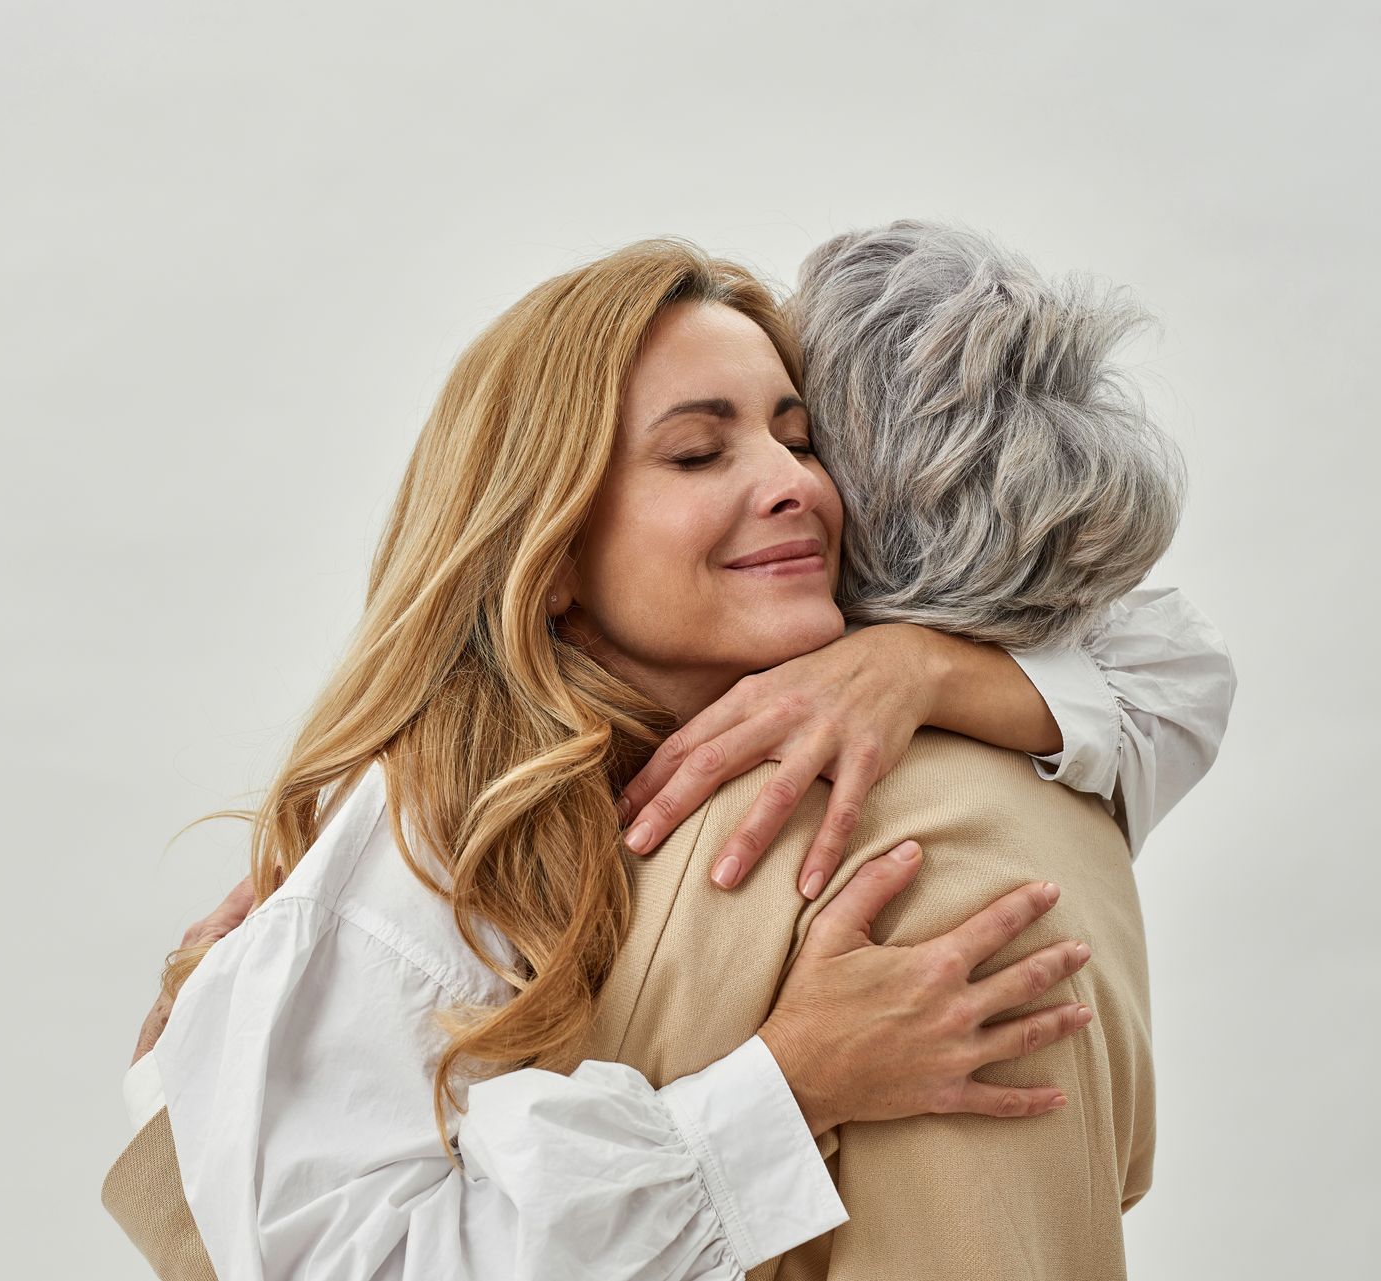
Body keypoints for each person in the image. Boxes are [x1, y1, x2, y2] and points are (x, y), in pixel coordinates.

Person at [103, 233, 1230, 1280]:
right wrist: (787, 1087)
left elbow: (1178, 667)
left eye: (797, 438)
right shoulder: (433, 830)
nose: (793, 484)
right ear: (546, 555)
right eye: (698, 453)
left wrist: (919, 668)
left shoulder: (855, 725)